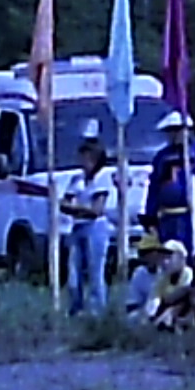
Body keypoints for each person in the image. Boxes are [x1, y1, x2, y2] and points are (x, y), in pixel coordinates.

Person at [58, 131, 120, 315]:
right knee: (73, 272)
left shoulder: (102, 178)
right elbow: (64, 203)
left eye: (87, 157)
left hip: (96, 228)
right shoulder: (77, 179)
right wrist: (74, 208)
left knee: (95, 271)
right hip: (77, 227)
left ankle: (97, 310)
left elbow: (96, 210)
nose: (83, 161)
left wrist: (75, 208)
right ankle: (75, 308)